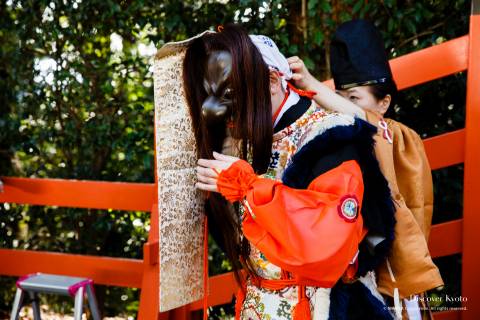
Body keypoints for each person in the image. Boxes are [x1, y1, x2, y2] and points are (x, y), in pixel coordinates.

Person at [186, 24, 396, 319]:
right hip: (257, 302)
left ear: (272, 80)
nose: (221, 109)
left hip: (321, 305)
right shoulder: (244, 138)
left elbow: (327, 244)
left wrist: (249, 188)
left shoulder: (331, 135)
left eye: (231, 93)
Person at [288, 19, 444, 319]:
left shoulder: (397, 136)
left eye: (354, 97)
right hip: (353, 270)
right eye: (340, 97)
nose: (339, 105)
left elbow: (363, 120)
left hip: (393, 273)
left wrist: (312, 84)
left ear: (383, 102)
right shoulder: (339, 136)